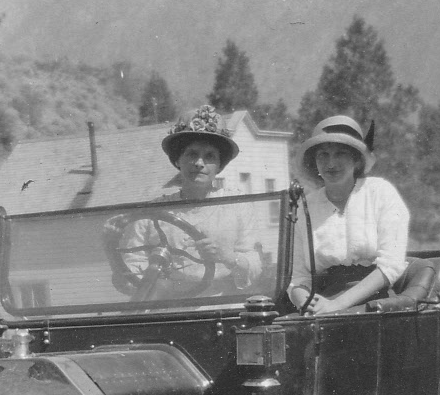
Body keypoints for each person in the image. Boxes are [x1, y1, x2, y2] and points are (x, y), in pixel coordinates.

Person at [113, 106, 261, 299]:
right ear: (178, 160)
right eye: (192, 154)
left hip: (223, 307)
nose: (199, 163)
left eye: (209, 156)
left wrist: (227, 256)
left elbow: (255, 267)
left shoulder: (237, 205)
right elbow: (131, 270)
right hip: (166, 311)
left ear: (219, 165)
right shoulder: (152, 212)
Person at [287, 114, 410, 314]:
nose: (331, 163)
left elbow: (391, 264)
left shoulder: (380, 192)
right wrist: (305, 302)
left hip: (375, 305)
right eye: (323, 155)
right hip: (322, 303)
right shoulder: (305, 206)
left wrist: (337, 305)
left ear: (356, 159)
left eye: (340, 153)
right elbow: (297, 277)